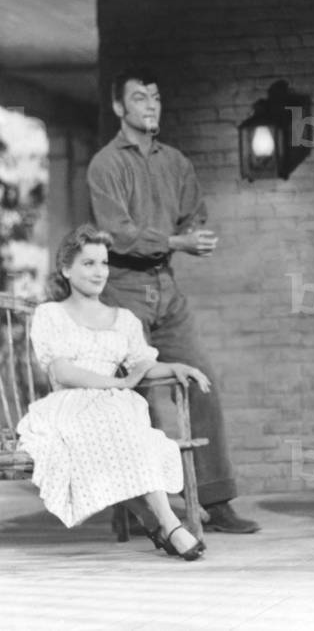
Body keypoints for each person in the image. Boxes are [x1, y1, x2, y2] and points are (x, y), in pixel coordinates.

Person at [87, 67, 259, 534]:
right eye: (139, 98)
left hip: (166, 287)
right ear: (120, 108)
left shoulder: (176, 162)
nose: (150, 105)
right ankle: (152, 505)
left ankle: (216, 500)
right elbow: (117, 235)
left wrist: (190, 235)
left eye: (156, 97)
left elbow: (193, 215)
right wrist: (177, 241)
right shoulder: (106, 165)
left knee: (202, 382)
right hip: (123, 291)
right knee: (137, 398)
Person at [18, 225, 210, 560]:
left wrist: (177, 367)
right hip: (70, 404)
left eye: (104, 263)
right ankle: (170, 524)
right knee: (122, 427)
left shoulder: (124, 319)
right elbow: (62, 371)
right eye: (88, 263)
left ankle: (157, 521)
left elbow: (143, 364)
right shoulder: (51, 315)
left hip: (116, 405)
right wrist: (117, 384)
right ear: (66, 269)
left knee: (135, 434)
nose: (99, 272)